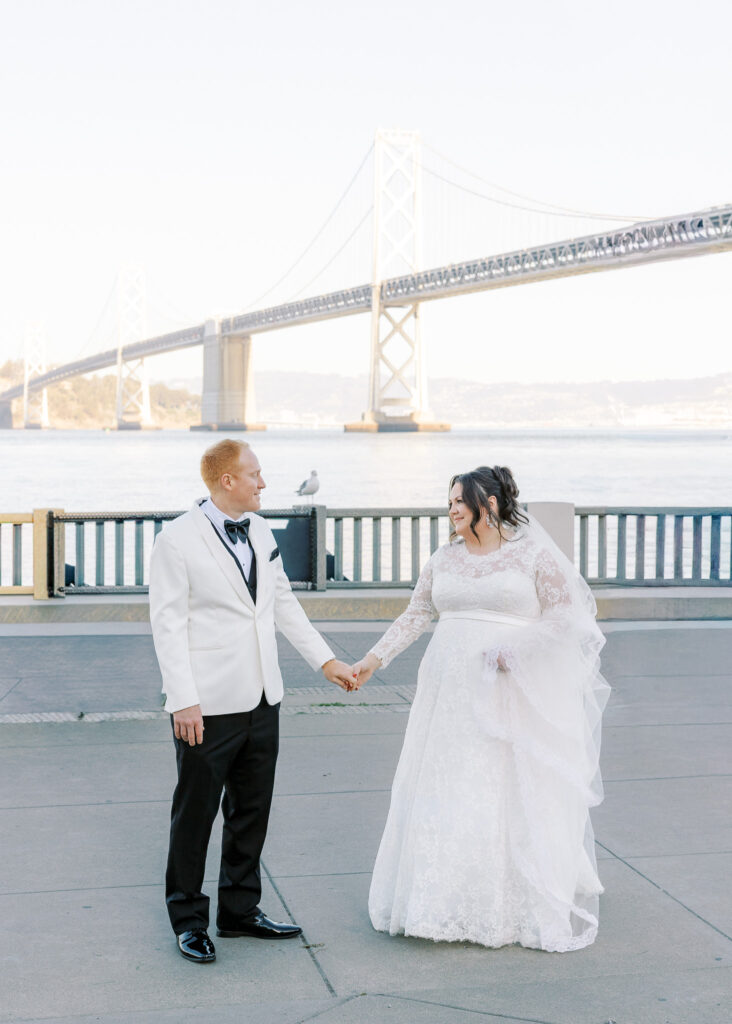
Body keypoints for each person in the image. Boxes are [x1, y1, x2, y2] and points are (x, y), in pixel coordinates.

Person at [352, 466, 610, 952]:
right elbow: (415, 615)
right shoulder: (444, 558)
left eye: (459, 501)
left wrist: (517, 649)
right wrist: (372, 661)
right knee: (448, 781)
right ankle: (437, 896)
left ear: (488, 504)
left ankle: (505, 897)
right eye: (448, 501)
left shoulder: (531, 553)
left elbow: (564, 614)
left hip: (506, 685)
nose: (451, 509)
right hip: (446, 688)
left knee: (501, 781)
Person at [149, 439, 355, 963]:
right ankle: (189, 920)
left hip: (265, 697)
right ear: (227, 481)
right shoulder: (176, 539)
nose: (264, 483)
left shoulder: (261, 529)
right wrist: (183, 701)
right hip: (206, 704)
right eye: (256, 475)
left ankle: (240, 911)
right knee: (194, 815)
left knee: (251, 811)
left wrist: (326, 662)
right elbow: (168, 625)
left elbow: (281, 603)